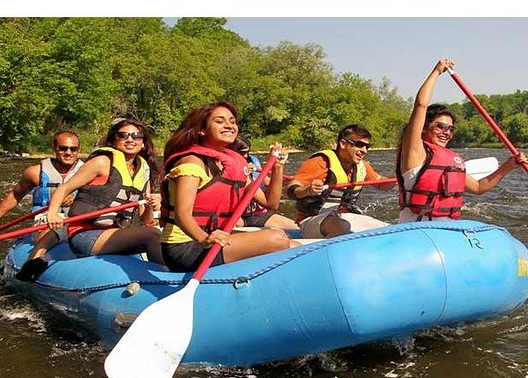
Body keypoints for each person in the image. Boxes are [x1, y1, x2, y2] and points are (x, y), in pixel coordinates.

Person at [396, 57, 528, 319]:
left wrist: (509, 165)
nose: (446, 132)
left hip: (446, 231)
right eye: (440, 126)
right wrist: (436, 72)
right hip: (418, 233)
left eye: (450, 128)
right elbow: (421, 104)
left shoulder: (454, 161)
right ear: (424, 128)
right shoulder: (414, 153)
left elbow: (480, 187)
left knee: (507, 243)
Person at [17, 118, 163, 281]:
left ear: (143, 143)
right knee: (153, 235)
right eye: (123, 135)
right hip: (86, 234)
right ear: (114, 141)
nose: (130, 139)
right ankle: (166, 278)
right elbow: (64, 188)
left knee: (154, 233)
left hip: (117, 233)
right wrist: (53, 213)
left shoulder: (143, 171)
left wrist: (151, 205)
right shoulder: (102, 162)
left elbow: (145, 220)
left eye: (136, 135)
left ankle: (165, 276)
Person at [159, 101, 297, 272]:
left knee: (294, 245)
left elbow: (270, 203)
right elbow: (182, 214)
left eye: (232, 121)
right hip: (185, 245)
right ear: (202, 130)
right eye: (220, 121)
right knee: (277, 238)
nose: (229, 126)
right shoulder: (192, 163)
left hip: (214, 237)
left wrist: (277, 167)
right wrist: (204, 238)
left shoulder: (234, 164)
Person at [0, 131, 85, 281]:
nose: (68, 152)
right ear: (55, 148)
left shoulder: (89, 172)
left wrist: (76, 199)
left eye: (73, 149)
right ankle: (34, 261)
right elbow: (15, 195)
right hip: (46, 220)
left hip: (76, 220)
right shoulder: (35, 172)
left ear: (78, 150)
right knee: (55, 228)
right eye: (63, 148)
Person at [286, 124, 395, 239]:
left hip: (343, 217)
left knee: (386, 229)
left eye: (367, 146)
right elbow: (291, 190)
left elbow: (381, 183)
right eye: (359, 145)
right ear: (343, 143)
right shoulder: (320, 162)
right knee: (342, 226)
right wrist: (308, 190)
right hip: (311, 220)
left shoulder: (362, 166)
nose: (364, 151)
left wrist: (398, 176)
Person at [228, 134, 297, 230]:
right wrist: (243, 173)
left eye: (247, 152)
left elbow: (267, 183)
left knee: (299, 228)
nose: (246, 156)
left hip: (257, 214)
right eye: (242, 153)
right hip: (235, 217)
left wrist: (277, 166)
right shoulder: (222, 166)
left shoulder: (252, 161)